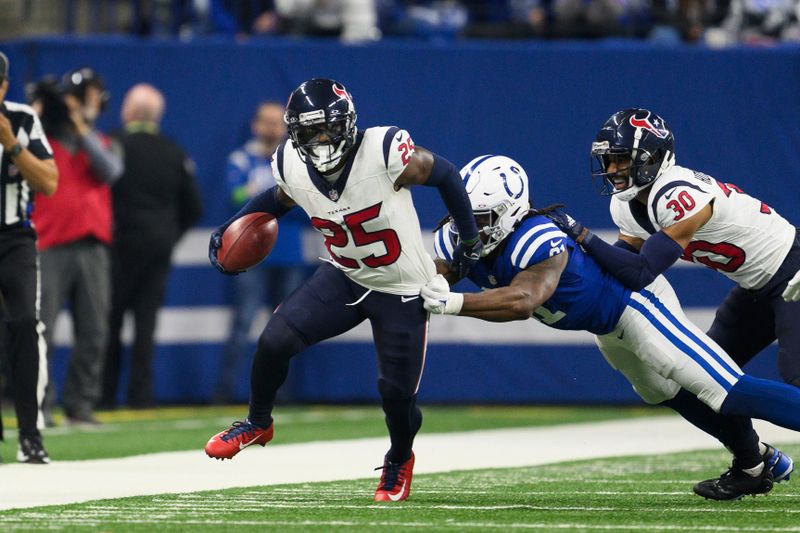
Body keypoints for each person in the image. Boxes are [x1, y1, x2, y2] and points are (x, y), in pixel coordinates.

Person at [424, 154, 799, 500]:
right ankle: (755, 462)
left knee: (723, 388)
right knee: (666, 392)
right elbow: (439, 272)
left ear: (508, 212)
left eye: (480, 216)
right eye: (460, 213)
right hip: (605, 325)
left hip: (636, 306)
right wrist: (428, 282)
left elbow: (523, 301)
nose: (467, 226)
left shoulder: (537, 237)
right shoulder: (457, 235)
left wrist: (452, 302)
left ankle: (756, 459)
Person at [204, 78, 482, 502]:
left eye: (325, 128)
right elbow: (277, 199)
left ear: (347, 122)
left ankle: (399, 458)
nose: (318, 140)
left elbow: (444, 174)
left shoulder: (383, 151)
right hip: (346, 275)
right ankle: (258, 422)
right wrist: (232, 227)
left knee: (396, 396)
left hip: (402, 287)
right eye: (308, 131)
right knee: (274, 340)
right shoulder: (291, 165)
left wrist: (469, 239)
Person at [547, 109, 800, 389]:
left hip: (792, 268)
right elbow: (621, 261)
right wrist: (566, 260)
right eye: (608, 160)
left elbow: (640, 273)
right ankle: (747, 436)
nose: (610, 170)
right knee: (702, 376)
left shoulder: (678, 193)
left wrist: (582, 235)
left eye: (620, 160)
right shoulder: (625, 204)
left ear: (652, 157)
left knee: (796, 373)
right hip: (755, 286)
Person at [31, 68, 123, 426]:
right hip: (49, 245)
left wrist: (82, 128)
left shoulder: (102, 141)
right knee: (42, 330)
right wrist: (40, 114)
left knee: (94, 330)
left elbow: (111, 171)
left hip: (93, 247)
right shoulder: (42, 142)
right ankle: (38, 404)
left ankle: (80, 406)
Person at [101, 84, 202, 409]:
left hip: (118, 248)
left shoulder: (113, 145)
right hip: (158, 247)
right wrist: (168, 236)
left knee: (109, 321)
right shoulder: (174, 151)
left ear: (129, 112)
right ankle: (141, 398)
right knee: (146, 325)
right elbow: (194, 207)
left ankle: (103, 396)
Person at [213, 102, 306, 404]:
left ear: (285, 127)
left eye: (276, 122)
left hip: (289, 253)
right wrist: (275, 200)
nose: (270, 128)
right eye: (265, 122)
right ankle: (227, 392)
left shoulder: (297, 161)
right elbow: (236, 198)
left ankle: (284, 395)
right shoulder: (241, 159)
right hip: (251, 254)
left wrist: (262, 198)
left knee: (289, 326)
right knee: (243, 322)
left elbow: (308, 209)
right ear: (255, 125)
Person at [0, 52, 58, 463]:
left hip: (13, 237)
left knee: (23, 323)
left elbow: (50, 182)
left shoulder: (20, 119)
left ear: (4, 87)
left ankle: (28, 433)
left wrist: (12, 144)